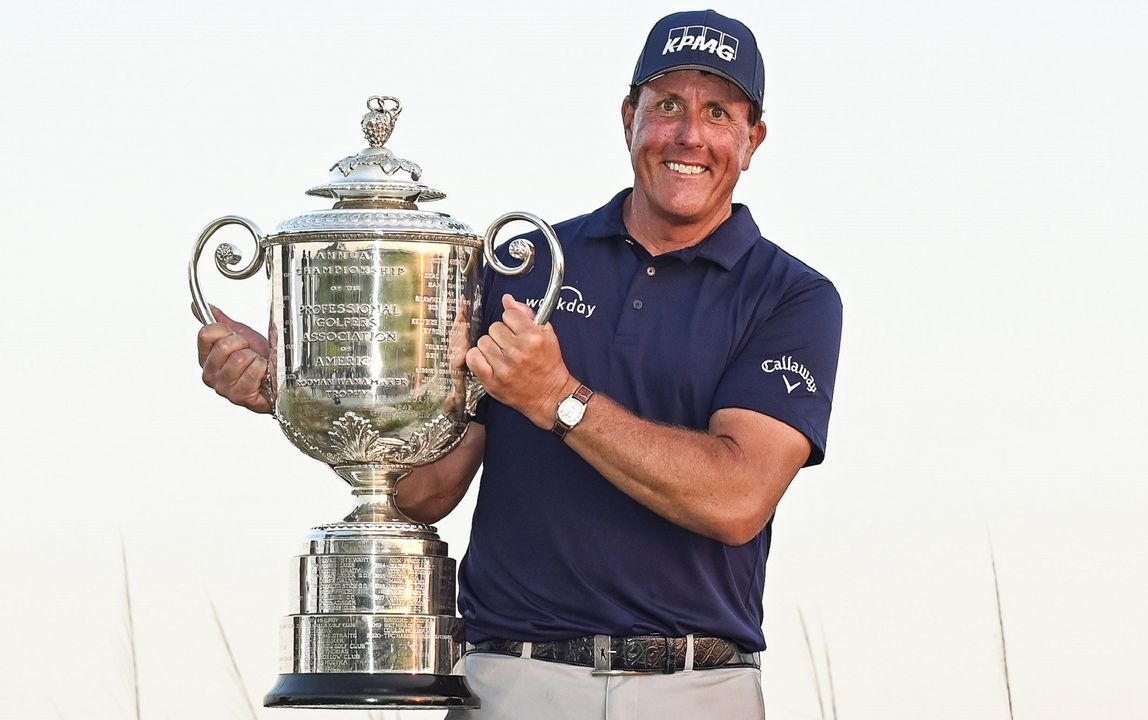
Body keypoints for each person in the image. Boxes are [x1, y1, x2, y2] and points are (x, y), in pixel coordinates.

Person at [197, 10, 842, 719]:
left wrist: (560, 399)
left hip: (697, 688)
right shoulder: (520, 269)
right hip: (512, 682)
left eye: (718, 112)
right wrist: (302, 388)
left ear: (752, 141)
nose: (689, 135)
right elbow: (425, 491)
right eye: (666, 106)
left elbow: (736, 499)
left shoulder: (793, 298)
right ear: (629, 119)